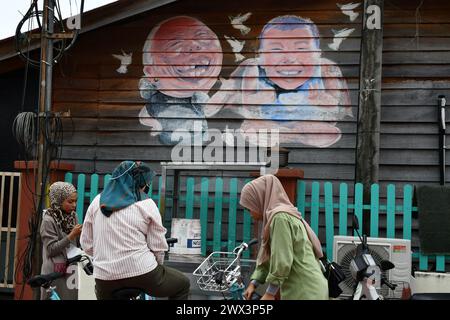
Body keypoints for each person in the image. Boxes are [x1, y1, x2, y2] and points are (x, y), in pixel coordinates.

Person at [209, 15, 352, 148]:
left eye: (301, 49)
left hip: (307, 124)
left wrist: (324, 100)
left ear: (317, 55)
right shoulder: (254, 68)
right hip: (268, 122)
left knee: (329, 132)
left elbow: (338, 107)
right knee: (250, 127)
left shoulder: (326, 69)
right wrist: (259, 98)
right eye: (276, 49)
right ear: (261, 57)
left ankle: (286, 135)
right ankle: (287, 134)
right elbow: (247, 103)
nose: (289, 58)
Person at [80, 161, 190, 299]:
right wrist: (156, 267)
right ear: (139, 183)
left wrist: (107, 258)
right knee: (182, 284)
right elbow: (158, 246)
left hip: (104, 278)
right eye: (145, 184)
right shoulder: (146, 204)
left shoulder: (96, 202)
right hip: (142, 272)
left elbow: (86, 244)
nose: (145, 188)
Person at [239, 175, 328, 300]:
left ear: (259, 200)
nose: (251, 215)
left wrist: (270, 293)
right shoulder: (282, 215)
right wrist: (254, 283)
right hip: (309, 287)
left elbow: (282, 260)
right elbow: (270, 258)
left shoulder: (279, 218)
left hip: (304, 290)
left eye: (250, 209)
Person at [138, 16, 223, 145]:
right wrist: (155, 125)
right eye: (175, 45)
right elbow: (145, 115)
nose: (194, 46)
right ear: (151, 72)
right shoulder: (156, 100)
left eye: (203, 38)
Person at [40, 181, 82, 300]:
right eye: (70, 201)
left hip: (71, 269)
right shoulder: (48, 220)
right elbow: (51, 250)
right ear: (58, 200)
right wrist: (71, 236)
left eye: (75, 201)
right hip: (54, 272)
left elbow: (77, 245)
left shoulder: (73, 217)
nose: (74, 205)